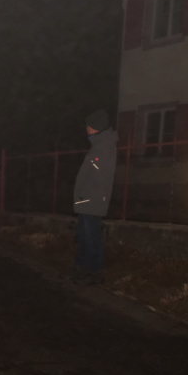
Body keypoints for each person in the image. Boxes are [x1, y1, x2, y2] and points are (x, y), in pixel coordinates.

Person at [73, 109, 117, 285]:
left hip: (92, 200)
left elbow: (99, 176)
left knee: (91, 237)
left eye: (88, 125)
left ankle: (93, 272)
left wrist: (87, 194)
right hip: (87, 199)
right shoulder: (99, 145)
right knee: (85, 236)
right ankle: (83, 268)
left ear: (95, 127)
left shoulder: (103, 146)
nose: (86, 128)